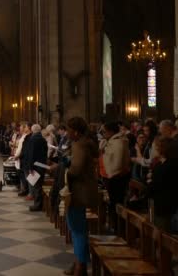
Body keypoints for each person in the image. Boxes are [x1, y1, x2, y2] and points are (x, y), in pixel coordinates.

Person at [64, 117, 99, 276]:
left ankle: (80, 266)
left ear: (75, 131)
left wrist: (62, 170)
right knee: (78, 228)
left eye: (69, 130)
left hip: (78, 192)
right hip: (83, 190)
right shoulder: (84, 143)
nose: (67, 133)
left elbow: (75, 170)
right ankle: (79, 263)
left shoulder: (79, 145)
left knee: (77, 229)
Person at [100, 122, 131, 231]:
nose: (102, 134)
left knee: (116, 203)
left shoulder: (119, 142)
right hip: (110, 177)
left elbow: (117, 162)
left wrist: (111, 173)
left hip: (116, 178)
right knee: (112, 203)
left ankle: (119, 229)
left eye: (104, 131)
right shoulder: (111, 141)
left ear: (111, 131)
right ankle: (115, 226)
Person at [147, 136, 178, 232]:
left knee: (162, 230)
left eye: (155, 147)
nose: (153, 150)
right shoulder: (162, 164)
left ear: (162, 149)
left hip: (164, 202)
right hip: (161, 201)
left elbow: (158, 184)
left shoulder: (167, 166)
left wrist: (150, 182)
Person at [27, 124, 48, 211]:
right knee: (39, 184)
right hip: (42, 164)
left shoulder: (33, 139)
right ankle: (39, 203)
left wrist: (30, 167)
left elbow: (31, 154)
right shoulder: (43, 139)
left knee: (36, 185)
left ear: (33, 131)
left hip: (35, 165)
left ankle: (38, 205)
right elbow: (45, 152)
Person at [15, 122, 32, 197]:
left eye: (24, 128)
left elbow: (24, 149)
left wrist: (18, 155)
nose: (22, 129)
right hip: (21, 157)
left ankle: (26, 190)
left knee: (26, 176)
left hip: (24, 158)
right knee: (22, 174)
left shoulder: (27, 137)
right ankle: (24, 189)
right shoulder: (24, 136)